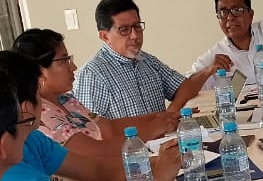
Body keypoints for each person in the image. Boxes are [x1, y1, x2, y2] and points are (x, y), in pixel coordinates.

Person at [0, 49, 180, 181]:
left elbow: (96, 169)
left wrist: (157, 163)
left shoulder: (30, 138)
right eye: (37, 91)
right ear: (26, 107)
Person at [13, 27, 176, 149]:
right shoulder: (40, 113)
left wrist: (159, 117)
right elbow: (96, 153)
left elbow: (109, 128)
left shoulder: (66, 100)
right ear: (39, 71)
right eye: (63, 61)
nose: (73, 67)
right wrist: (153, 129)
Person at [73, 0, 222, 119]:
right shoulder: (92, 75)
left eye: (137, 26)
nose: (135, 35)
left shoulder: (147, 60)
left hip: (164, 140)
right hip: (131, 145)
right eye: (124, 30)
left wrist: (170, 114)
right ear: (104, 36)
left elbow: (184, 87)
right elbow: (90, 132)